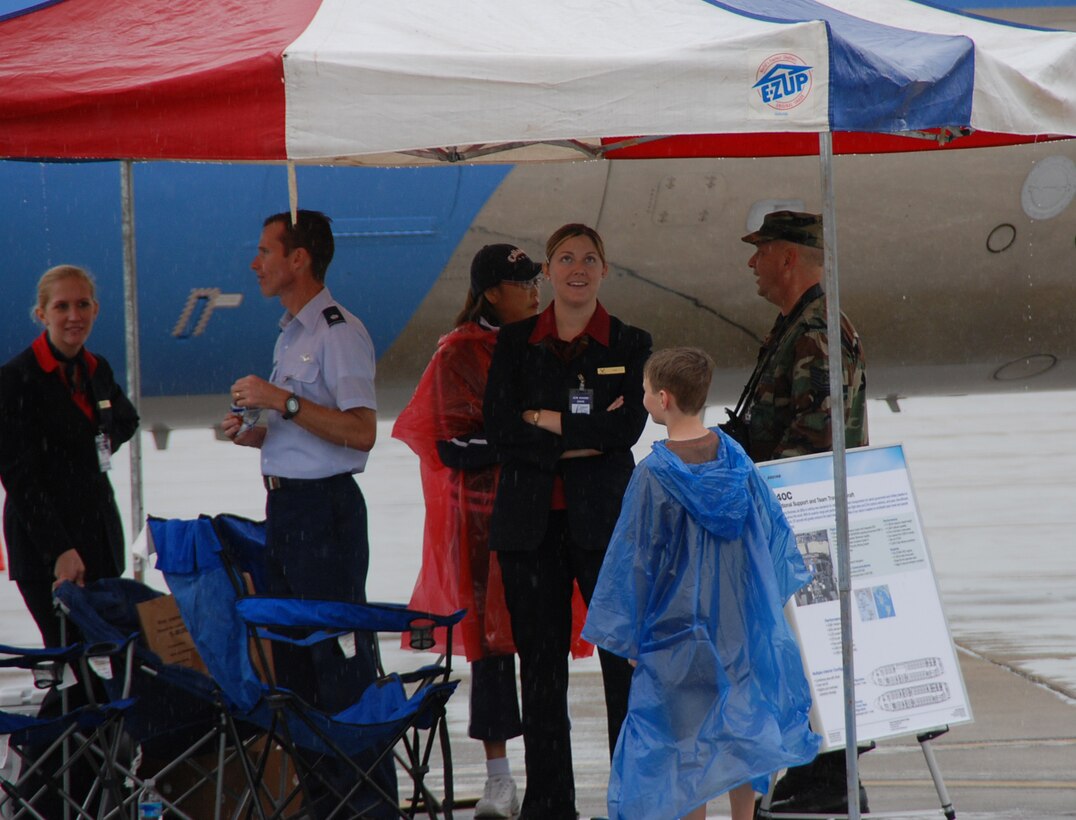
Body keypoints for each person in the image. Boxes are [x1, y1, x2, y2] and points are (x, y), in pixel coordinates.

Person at [583, 347, 821, 820]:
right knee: (740, 733)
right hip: (737, 626)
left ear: (663, 399)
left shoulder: (653, 475)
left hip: (678, 634)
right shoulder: (737, 460)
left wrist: (630, 635)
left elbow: (636, 559)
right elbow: (770, 535)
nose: (643, 396)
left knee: (686, 747)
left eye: (647, 390)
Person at [222, 209, 395, 818]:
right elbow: (297, 426)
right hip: (289, 510)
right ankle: (324, 803)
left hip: (327, 516)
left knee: (338, 666)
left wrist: (281, 401)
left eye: (266, 250)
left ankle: (368, 805)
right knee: (295, 672)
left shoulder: (336, 331)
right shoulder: (290, 333)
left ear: (299, 259)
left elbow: (362, 431)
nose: (255, 262)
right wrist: (255, 429)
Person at [483, 223, 652, 819]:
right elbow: (501, 430)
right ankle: (550, 803)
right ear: (549, 272)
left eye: (588, 258)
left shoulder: (630, 343)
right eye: (564, 258)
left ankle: (634, 796)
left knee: (622, 666)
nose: (577, 267)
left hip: (603, 527)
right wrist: (580, 438)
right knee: (543, 671)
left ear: (604, 270)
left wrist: (546, 420)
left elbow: (627, 429)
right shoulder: (515, 342)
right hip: (530, 530)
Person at [723, 210, 869, 815]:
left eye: (761, 252)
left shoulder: (817, 331)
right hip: (789, 512)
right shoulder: (794, 325)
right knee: (798, 644)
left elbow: (815, 436)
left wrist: (757, 492)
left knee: (815, 643)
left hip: (804, 515)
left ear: (788, 258)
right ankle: (817, 770)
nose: (752, 264)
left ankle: (832, 776)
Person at [392, 243, 542, 817]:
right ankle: (499, 777)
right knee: (491, 649)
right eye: (522, 282)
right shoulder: (458, 355)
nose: (534, 290)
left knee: (542, 643)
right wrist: (526, 439)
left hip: (538, 511)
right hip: (483, 528)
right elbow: (449, 444)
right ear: (491, 294)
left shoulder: (544, 342)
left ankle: (548, 772)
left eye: (535, 280)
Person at [0, 265, 139, 649]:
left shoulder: (96, 369)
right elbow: (19, 478)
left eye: (83, 305)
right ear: (42, 314)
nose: (74, 316)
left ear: (95, 309)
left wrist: (94, 448)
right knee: (73, 661)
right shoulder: (15, 379)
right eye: (62, 307)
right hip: (46, 543)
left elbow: (126, 419)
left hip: (98, 536)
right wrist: (59, 550)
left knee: (110, 658)